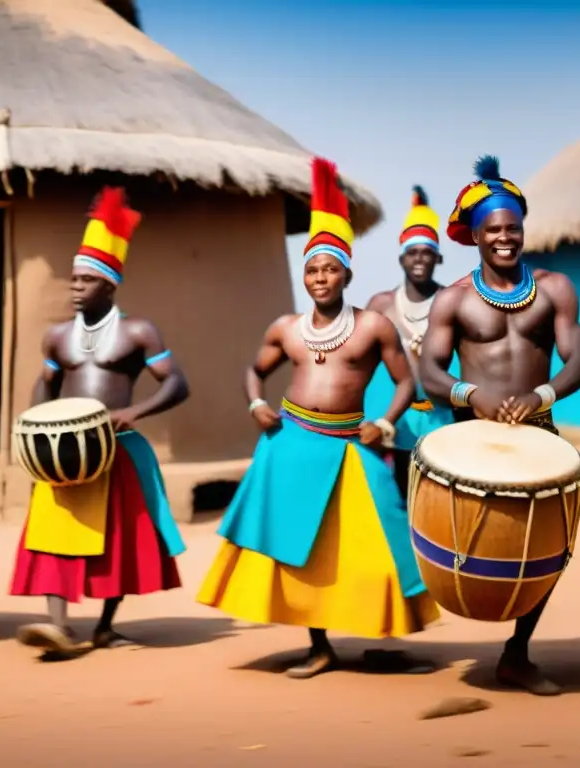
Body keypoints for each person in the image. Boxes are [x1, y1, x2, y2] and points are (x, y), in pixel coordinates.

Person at [197, 158, 440, 679]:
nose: (321, 277)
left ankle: (386, 633)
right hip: (292, 441)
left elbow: (406, 383)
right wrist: (255, 404)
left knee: (381, 539)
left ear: (347, 273)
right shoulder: (285, 328)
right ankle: (319, 645)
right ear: (303, 276)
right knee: (301, 550)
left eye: (330, 268)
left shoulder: (373, 326)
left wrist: (388, 424)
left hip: (353, 442)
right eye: (312, 269)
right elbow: (253, 371)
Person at [419, 155, 580, 696]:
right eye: (493, 229)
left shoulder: (555, 287)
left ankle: (518, 652)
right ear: (474, 235)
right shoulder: (453, 299)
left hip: (539, 431)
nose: (504, 238)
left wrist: (540, 394)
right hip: (476, 433)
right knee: (480, 545)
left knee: (547, 546)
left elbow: (576, 364)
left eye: (512, 227)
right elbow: (429, 370)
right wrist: (475, 394)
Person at [11, 187, 189, 655]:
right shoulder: (57, 337)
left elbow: (176, 384)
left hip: (117, 449)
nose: (74, 287)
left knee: (119, 541)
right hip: (63, 452)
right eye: (72, 279)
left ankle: (105, 626)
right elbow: (43, 386)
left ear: (109, 285)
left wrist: (133, 412)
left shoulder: (138, 332)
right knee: (53, 533)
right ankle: (58, 626)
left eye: (85, 280)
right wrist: (38, 428)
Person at [364, 186, 458, 498]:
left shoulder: (453, 302)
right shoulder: (381, 305)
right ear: (402, 259)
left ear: (438, 258)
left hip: (441, 417)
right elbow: (358, 359)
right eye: (413, 253)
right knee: (400, 498)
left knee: (440, 499)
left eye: (427, 253)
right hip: (396, 418)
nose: (420, 260)